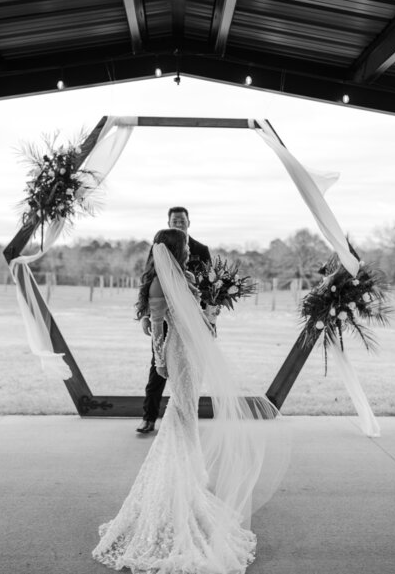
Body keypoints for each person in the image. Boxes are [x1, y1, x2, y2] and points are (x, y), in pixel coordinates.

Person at [92, 228, 286, 572]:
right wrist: (161, 363)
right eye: (183, 247)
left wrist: (210, 315)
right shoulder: (158, 284)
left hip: (193, 353)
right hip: (177, 353)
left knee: (187, 414)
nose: (187, 251)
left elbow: (200, 317)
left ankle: (189, 481)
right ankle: (177, 485)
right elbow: (155, 328)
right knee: (180, 413)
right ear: (174, 250)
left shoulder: (190, 277)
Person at [137, 206, 211, 433]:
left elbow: (206, 287)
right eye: (174, 220)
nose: (178, 223)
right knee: (161, 375)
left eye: (182, 219)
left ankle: (187, 431)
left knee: (189, 391)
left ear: (189, 221)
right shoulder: (160, 265)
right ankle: (150, 417)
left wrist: (208, 320)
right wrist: (147, 314)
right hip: (173, 335)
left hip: (192, 334)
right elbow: (150, 280)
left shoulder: (195, 260)